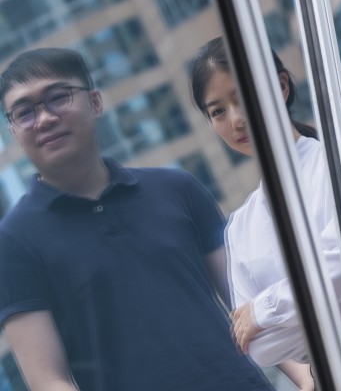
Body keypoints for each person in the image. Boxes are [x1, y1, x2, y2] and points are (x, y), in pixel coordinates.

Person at [0, 47, 273, 391]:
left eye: (57, 97)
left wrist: (306, 376)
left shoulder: (177, 188)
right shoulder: (12, 242)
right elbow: (47, 380)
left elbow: (248, 307)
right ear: (13, 132)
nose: (44, 118)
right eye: (24, 112)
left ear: (95, 103)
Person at [188, 37, 341, 375]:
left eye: (242, 97)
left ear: (281, 85)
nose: (236, 119)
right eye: (218, 111)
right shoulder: (241, 228)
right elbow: (258, 346)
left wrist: (264, 311)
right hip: (334, 375)